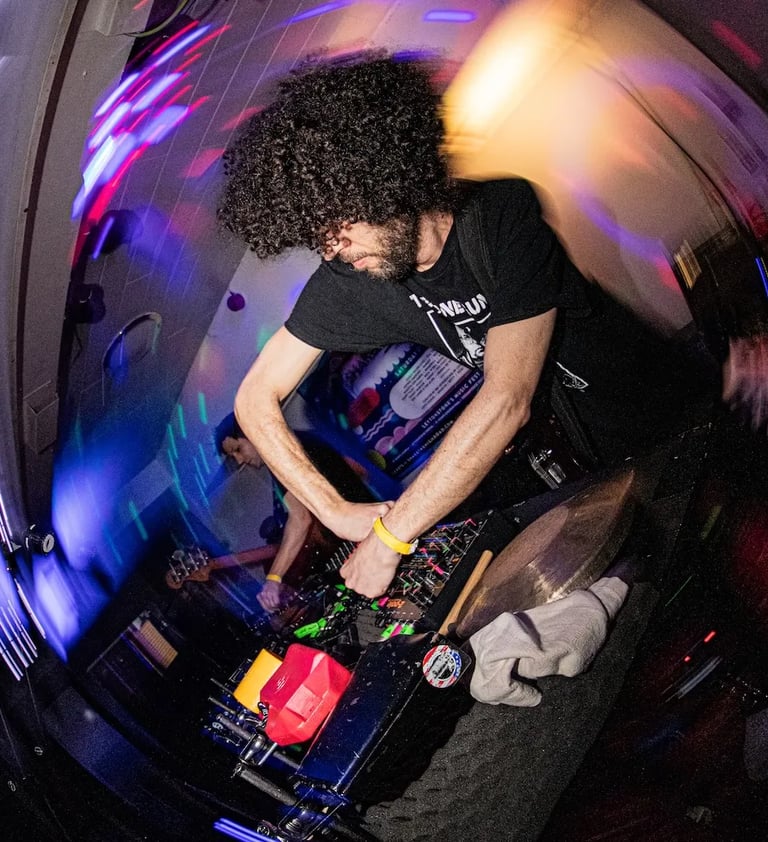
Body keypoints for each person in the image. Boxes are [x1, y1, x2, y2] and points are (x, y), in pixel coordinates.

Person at [217, 53, 730, 601]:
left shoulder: (502, 213)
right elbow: (253, 398)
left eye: (340, 223)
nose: (331, 249)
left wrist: (390, 537)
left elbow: (507, 397)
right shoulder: (352, 280)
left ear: (383, 180)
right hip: (601, 460)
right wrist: (334, 511)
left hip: (675, 414)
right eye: (317, 236)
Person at [215, 413, 381, 611]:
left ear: (253, 433)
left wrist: (273, 579)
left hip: (358, 545)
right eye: (233, 457)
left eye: (238, 449)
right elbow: (359, 470)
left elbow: (300, 519)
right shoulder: (302, 438)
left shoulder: (282, 457)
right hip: (374, 529)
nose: (240, 460)